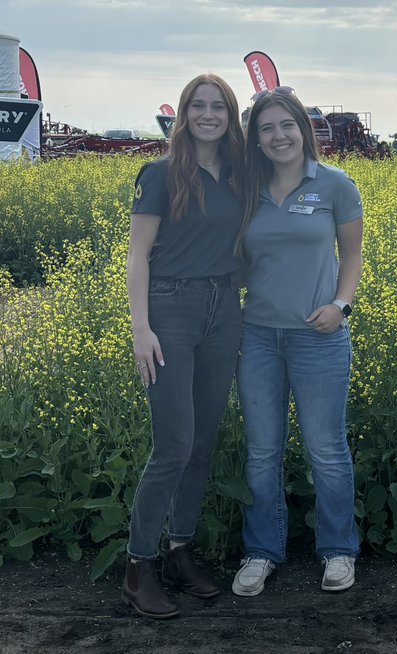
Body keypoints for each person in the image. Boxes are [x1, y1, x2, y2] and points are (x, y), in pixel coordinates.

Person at [231, 86, 364, 597]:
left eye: (287, 125)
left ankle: (338, 550)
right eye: (266, 128)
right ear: (255, 139)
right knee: (262, 452)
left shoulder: (335, 185)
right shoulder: (246, 189)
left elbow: (352, 257)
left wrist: (341, 305)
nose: (278, 136)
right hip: (258, 338)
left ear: (303, 130)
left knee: (326, 449)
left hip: (319, 338)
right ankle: (261, 552)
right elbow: (238, 261)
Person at [124, 73, 245, 618]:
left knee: (201, 443)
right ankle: (138, 565)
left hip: (225, 309)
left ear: (231, 115)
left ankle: (180, 551)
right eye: (198, 105)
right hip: (170, 309)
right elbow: (137, 255)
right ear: (183, 113)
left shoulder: (239, 174)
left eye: (218, 106)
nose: (208, 115)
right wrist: (141, 328)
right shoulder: (160, 173)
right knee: (172, 446)